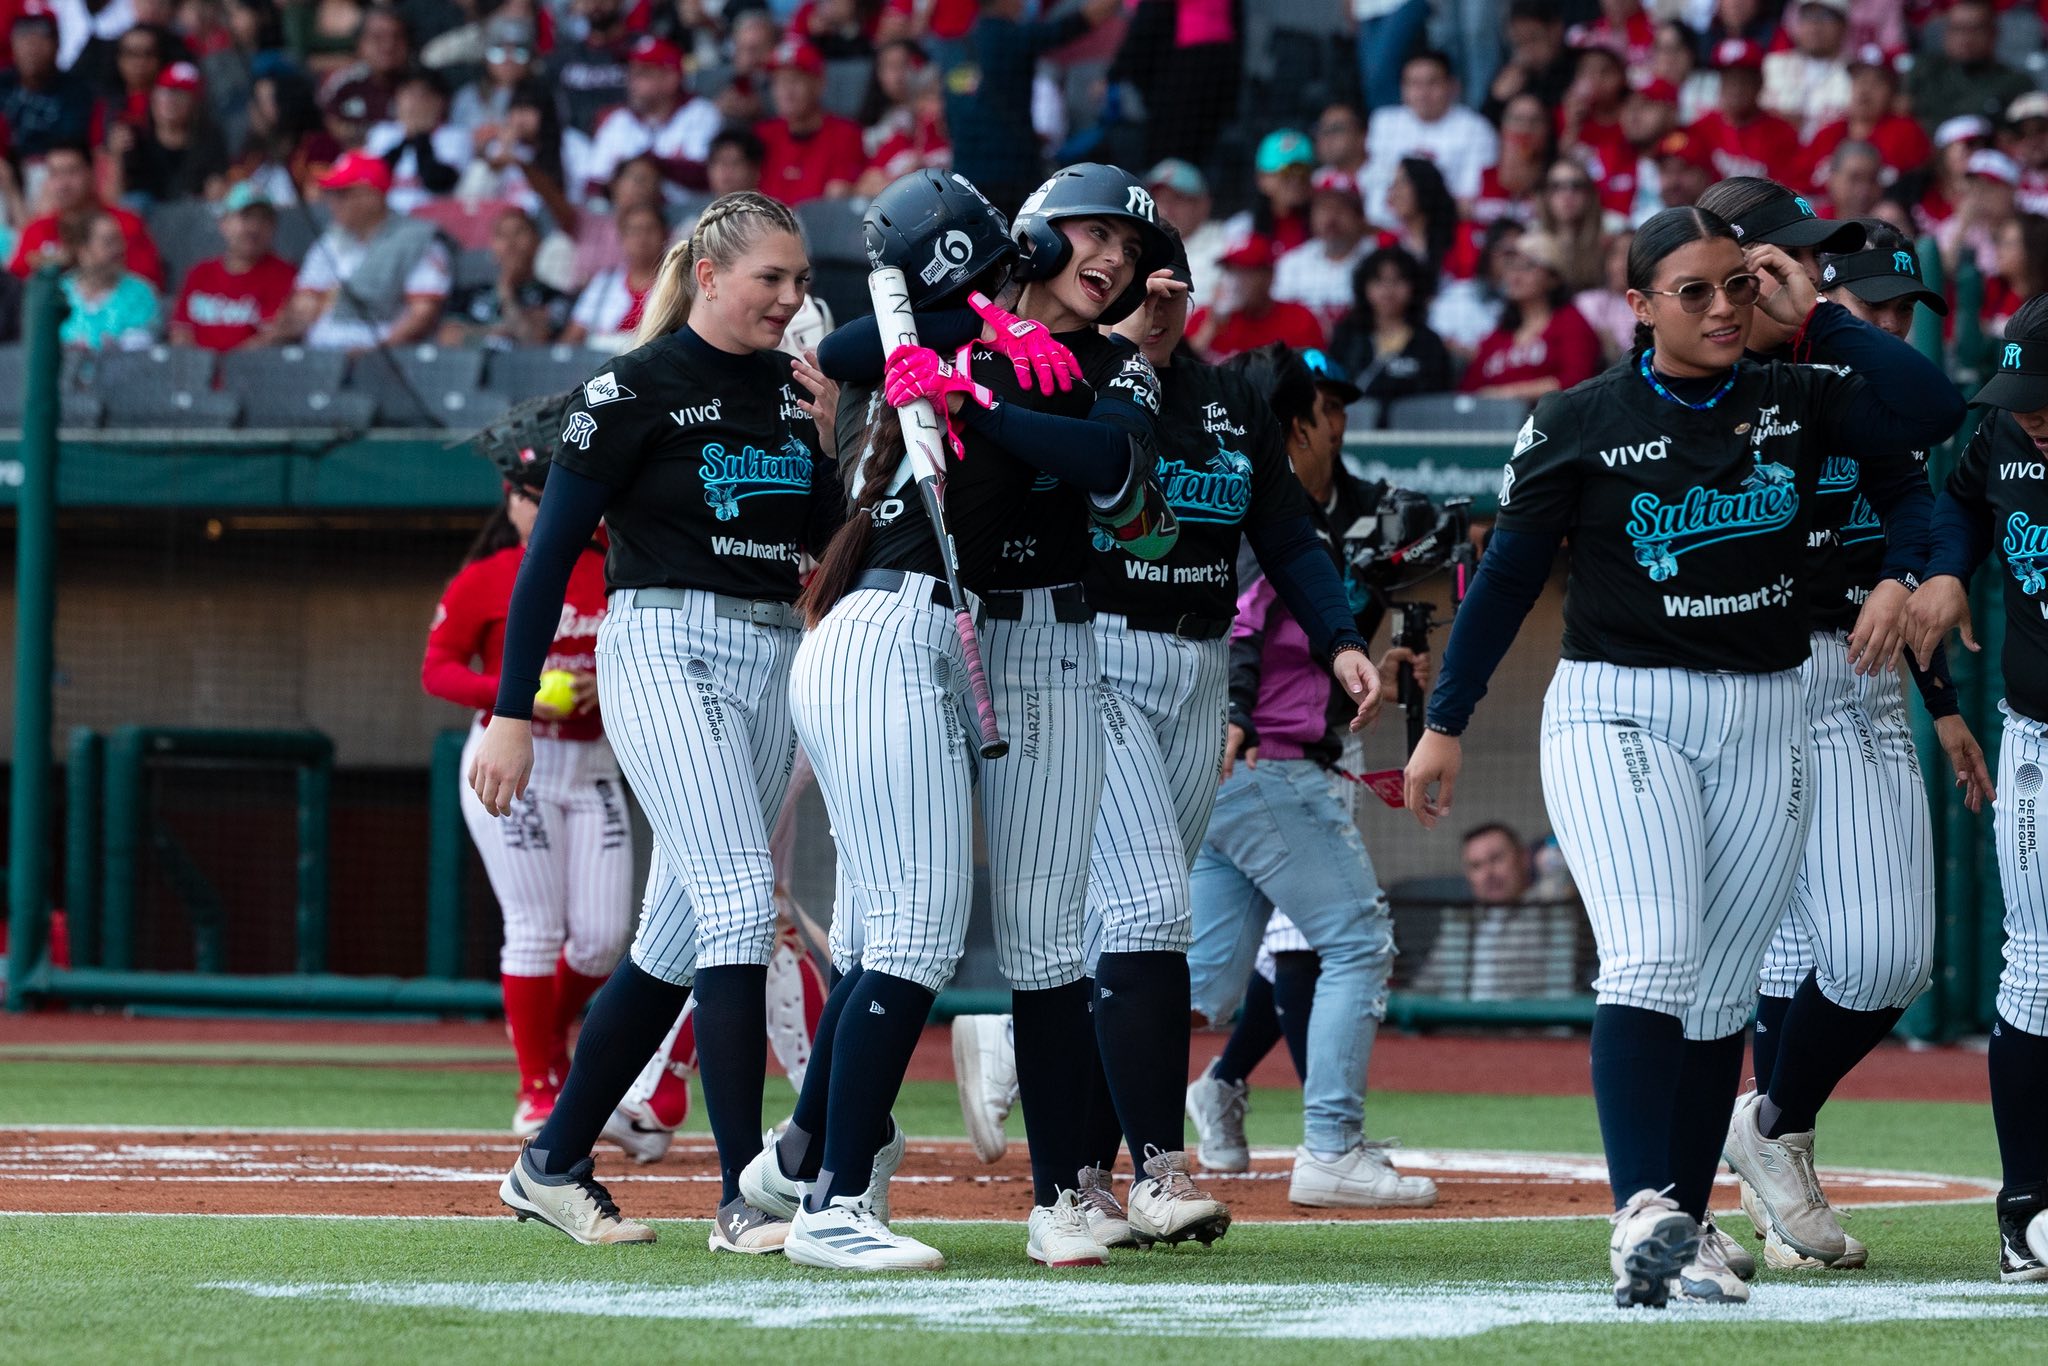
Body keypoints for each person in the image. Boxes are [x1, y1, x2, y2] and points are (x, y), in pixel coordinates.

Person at [1403, 205, 1965, 1308]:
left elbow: (1923, 436)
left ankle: (1691, 1223)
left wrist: (1899, 569)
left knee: (1714, 996)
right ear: (1639, 305)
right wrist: (1443, 722)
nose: (1720, 307)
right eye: (1692, 290)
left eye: (1736, 286)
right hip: (1621, 710)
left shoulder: (1801, 397)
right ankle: (1638, 1214)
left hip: (1763, 711)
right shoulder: (1576, 418)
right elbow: (1506, 580)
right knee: (1655, 956)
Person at [742, 165, 1179, 1272]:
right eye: (1094, 233)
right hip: (894, 622)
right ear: (1034, 237)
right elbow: (843, 355)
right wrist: (963, 334)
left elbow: (1110, 465)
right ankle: (830, 1192)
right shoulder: (953, 318)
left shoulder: (1117, 364)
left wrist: (983, 389)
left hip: (1023, 632)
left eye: (1130, 249)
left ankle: (1049, 1197)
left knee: (1026, 933)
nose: (1114, 258)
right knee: (916, 924)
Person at [957, 222, 1377, 1250]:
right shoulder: (1070, 375)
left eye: (1169, 279)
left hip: (1193, 667)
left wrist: (1339, 638)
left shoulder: (1227, 399)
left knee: (1126, 928)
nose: (1153, 294)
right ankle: (1156, 1165)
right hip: (1088, 648)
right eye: (1131, 278)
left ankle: (1052, 1111)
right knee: (1149, 909)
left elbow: (1279, 530)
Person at [478, 189, 843, 1254]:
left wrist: (829, 444)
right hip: (664, 645)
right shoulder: (626, 388)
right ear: (712, 275)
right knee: (737, 901)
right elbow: (548, 558)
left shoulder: (793, 393)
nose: (789, 298)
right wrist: (511, 713)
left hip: (773, 652)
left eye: (801, 281)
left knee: (676, 939)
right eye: (770, 278)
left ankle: (549, 1161)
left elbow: (830, 548)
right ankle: (744, 1197)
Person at [1722, 211, 1990, 1277]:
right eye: (1870, 299)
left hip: (1853, 669)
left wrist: (1941, 699)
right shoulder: (1695, 375)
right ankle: (1781, 1185)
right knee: (1773, 958)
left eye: (1897, 306)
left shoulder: (1837, 360)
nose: (1887, 321)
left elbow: (1919, 460)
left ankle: (1768, 1121)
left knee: (1886, 954)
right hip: (1736, 676)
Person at [1181, 343, 1428, 1210]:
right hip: (1268, 767)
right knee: (1357, 942)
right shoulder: (1273, 510)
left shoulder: (1228, 490)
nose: (1339, 426)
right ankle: (1330, 1146)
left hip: (1227, 777)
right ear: (1294, 423)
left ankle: (1020, 1043)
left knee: (1200, 983)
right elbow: (1248, 629)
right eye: (1327, 412)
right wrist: (1241, 714)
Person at [422, 415, 629, 1138]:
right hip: (513, 760)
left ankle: (550, 1039)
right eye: (533, 498)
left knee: (603, 939)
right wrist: (523, 695)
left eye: (559, 496)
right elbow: (438, 671)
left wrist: (616, 686)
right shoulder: (485, 578)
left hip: (595, 762)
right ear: (511, 500)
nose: (546, 511)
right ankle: (538, 1083)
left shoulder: (614, 561)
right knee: (535, 929)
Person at [1904, 291, 2048, 1285]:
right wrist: (1949, 569)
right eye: (2020, 397)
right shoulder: (2001, 432)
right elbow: (1953, 500)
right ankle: (2026, 1210)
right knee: (2032, 967)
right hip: (2037, 733)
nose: (2029, 415)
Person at [943, 0, 1119, 217]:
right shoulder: (1013, 37)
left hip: (966, 178)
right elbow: (1075, 24)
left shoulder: (956, 50)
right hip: (1012, 174)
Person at [273, 150, 449, 351]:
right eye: (331, 195)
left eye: (342, 194)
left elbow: (422, 314)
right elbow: (305, 305)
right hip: (320, 356)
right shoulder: (330, 240)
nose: (332, 203)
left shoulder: (417, 239)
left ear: (371, 196)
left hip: (381, 358)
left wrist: (374, 353)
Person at [1459, 231, 1603, 401]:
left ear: (1553, 278)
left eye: (1527, 266)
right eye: (1510, 266)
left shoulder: (1571, 322)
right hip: (1495, 425)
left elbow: (1577, 382)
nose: (1515, 276)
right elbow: (1468, 391)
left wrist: (1507, 395)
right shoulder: (1498, 335)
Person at [581, 34, 721, 205]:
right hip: (629, 220)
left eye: (642, 73)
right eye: (631, 72)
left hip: (690, 216)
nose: (632, 81)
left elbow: (705, 175)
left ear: (671, 78)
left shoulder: (701, 113)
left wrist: (645, 165)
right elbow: (593, 183)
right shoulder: (618, 120)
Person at [1361, 50, 1498, 223]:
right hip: (1384, 230)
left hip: (1446, 230)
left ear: (1453, 87)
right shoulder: (1383, 122)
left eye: (1432, 83)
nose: (1423, 93)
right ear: (1403, 89)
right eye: (1414, 84)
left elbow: (1470, 200)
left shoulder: (1476, 129)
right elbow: (1374, 186)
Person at [9, 141, 164, 285]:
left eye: (71, 172)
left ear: (92, 173)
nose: (62, 184)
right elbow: (13, 287)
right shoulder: (37, 230)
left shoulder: (126, 223)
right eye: (54, 173)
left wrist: (96, 262)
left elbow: (149, 281)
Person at [1326, 244, 1454, 410]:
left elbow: (1437, 402)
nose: (1388, 290)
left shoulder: (1429, 343)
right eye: (1379, 281)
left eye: (1398, 280)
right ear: (1364, 286)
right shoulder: (1347, 336)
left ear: (1414, 286)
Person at [169, 182, 296, 349]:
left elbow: (271, 338)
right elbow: (180, 332)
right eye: (246, 217)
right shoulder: (199, 274)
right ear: (224, 223)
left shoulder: (284, 275)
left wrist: (227, 365)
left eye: (263, 219)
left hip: (252, 372)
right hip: (198, 372)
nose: (254, 227)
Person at [1797, 49, 1929, 194]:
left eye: (1876, 83)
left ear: (1892, 93)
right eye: (1859, 80)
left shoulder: (1906, 132)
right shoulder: (1828, 133)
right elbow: (1797, 183)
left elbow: (1920, 186)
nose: (1864, 90)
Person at [439, 206, 572, 348]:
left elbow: (533, 340)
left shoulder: (554, 297)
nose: (510, 243)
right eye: (501, 235)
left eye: (519, 232)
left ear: (537, 242)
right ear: (492, 246)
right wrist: (497, 333)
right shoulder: (468, 294)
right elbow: (448, 337)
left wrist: (506, 291)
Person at [753, 37, 864, 205]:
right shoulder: (763, 134)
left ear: (819, 84)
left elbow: (836, 199)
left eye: (795, 80)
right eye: (779, 81)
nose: (786, 91)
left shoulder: (845, 134)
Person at [1272, 168, 1382, 336]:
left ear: (1360, 216)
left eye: (1340, 208)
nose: (1331, 218)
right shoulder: (1292, 264)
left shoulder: (1379, 260)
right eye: (1323, 208)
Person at [106, 60, 230, 204]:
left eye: (180, 94)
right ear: (153, 98)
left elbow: (219, 189)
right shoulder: (135, 139)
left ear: (195, 104)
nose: (170, 101)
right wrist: (116, 158)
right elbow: (114, 201)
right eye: (164, 92)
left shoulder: (210, 141)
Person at [1187, 234, 1323, 362]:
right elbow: (1180, 369)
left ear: (1268, 276)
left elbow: (1318, 377)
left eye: (1244, 272)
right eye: (1230, 271)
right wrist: (1210, 327)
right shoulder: (1204, 318)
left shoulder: (1299, 321)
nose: (1234, 281)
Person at [1904, 0, 2032, 133]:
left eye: (1975, 29)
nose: (1966, 39)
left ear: (1993, 34)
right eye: (1958, 29)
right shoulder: (1924, 72)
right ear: (1946, 34)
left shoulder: (2014, 84)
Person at [1688, 38, 1800, 183]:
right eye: (1729, 78)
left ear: (1759, 82)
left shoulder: (1783, 134)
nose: (1736, 88)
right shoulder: (1701, 129)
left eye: (1743, 79)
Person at [363, 67, 471, 214]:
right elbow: (374, 179)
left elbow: (438, 183)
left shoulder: (455, 137)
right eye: (408, 94)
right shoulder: (381, 133)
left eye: (422, 95)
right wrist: (406, 139)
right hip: (385, 220)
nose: (414, 102)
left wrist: (421, 136)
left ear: (439, 102)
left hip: (433, 221)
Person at [560, 200, 664, 350]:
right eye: (634, 231)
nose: (642, 237)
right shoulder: (603, 283)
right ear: (622, 240)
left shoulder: (677, 282)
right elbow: (572, 338)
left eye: (649, 229)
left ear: (664, 235)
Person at [0, 9, 97, 162]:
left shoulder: (76, 92)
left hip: (54, 174)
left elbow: (70, 145)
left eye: (41, 37)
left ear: (57, 43)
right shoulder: (3, 84)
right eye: (23, 36)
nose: (32, 47)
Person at [59, 212, 160, 350]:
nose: (119, 249)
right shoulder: (58, 293)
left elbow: (140, 353)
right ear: (83, 250)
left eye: (120, 240)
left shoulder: (140, 293)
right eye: (109, 242)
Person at [1760, 0, 1851, 138]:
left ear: (1843, 25)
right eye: (1808, 16)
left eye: (1826, 17)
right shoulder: (1772, 65)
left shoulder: (1856, 74)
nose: (1815, 26)